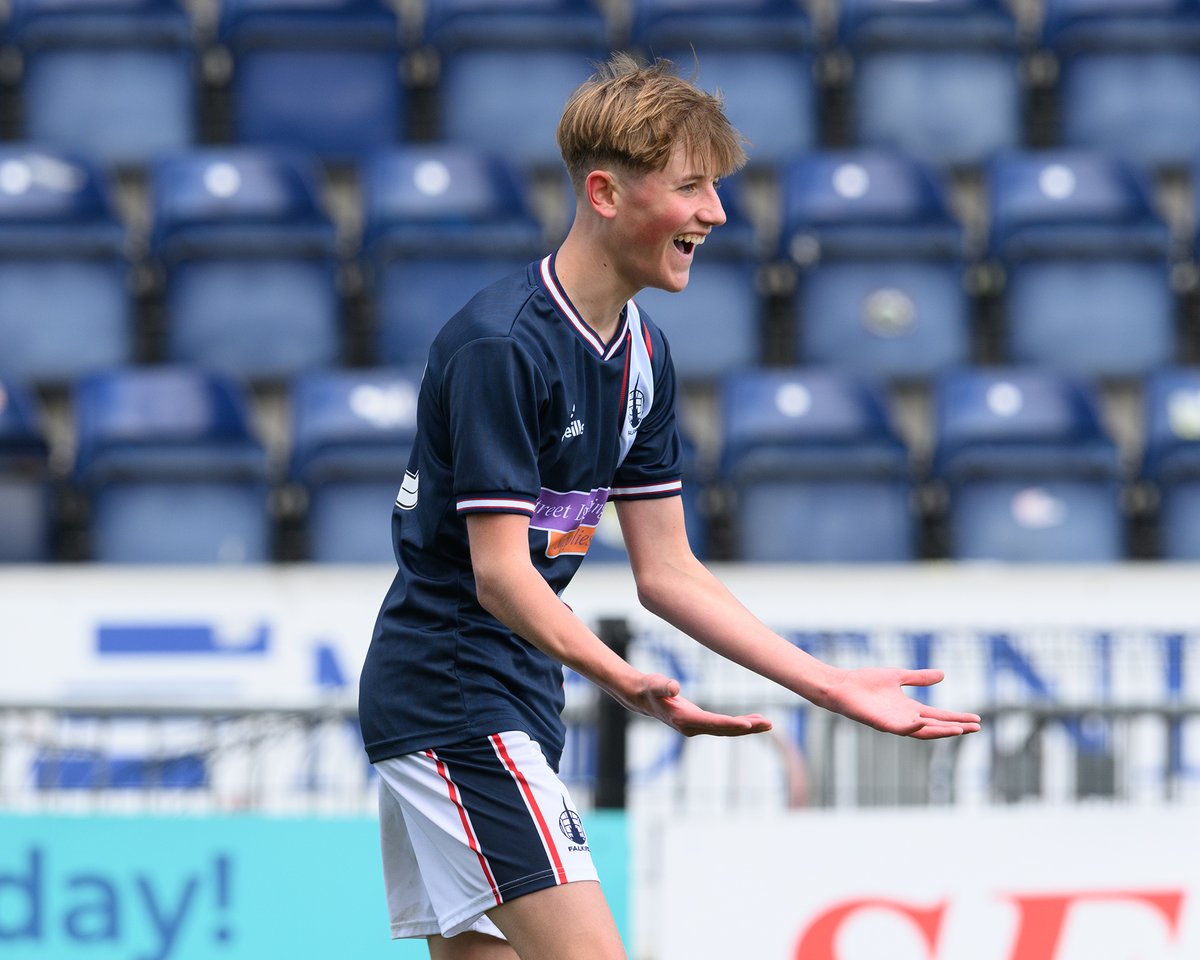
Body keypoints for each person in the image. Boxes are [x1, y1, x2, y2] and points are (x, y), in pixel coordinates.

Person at [357, 51, 981, 960]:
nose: (716, 214)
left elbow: (670, 572)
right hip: (454, 694)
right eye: (692, 188)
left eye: (717, 189)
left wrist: (827, 683)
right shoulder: (502, 345)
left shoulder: (644, 353)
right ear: (605, 193)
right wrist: (619, 677)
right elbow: (499, 577)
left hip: (510, 696)